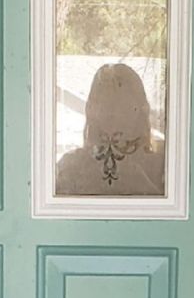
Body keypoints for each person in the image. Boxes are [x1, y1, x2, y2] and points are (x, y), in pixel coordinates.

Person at [54, 60, 166, 197]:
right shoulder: (70, 168)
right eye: (106, 106)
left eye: (122, 107)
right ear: (92, 111)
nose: (113, 115)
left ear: (139, 112)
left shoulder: (162, 169)